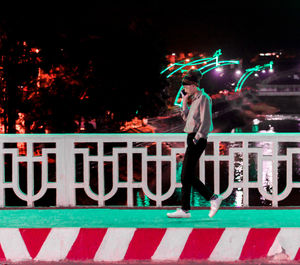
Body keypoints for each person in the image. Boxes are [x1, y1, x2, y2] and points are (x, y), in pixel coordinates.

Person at [167, 69, 223, 218]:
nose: (184, 89)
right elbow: (186, 119)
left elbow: (207, 123)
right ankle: (187, 209)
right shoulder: (194, 99)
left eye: (185, 86)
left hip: (197, 140)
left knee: (186, 175)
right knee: (187, 176)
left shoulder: (204, 98)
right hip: (191, 138)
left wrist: (196, 139)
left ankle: (212, 199)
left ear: (193, 85)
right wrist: (184, 102)